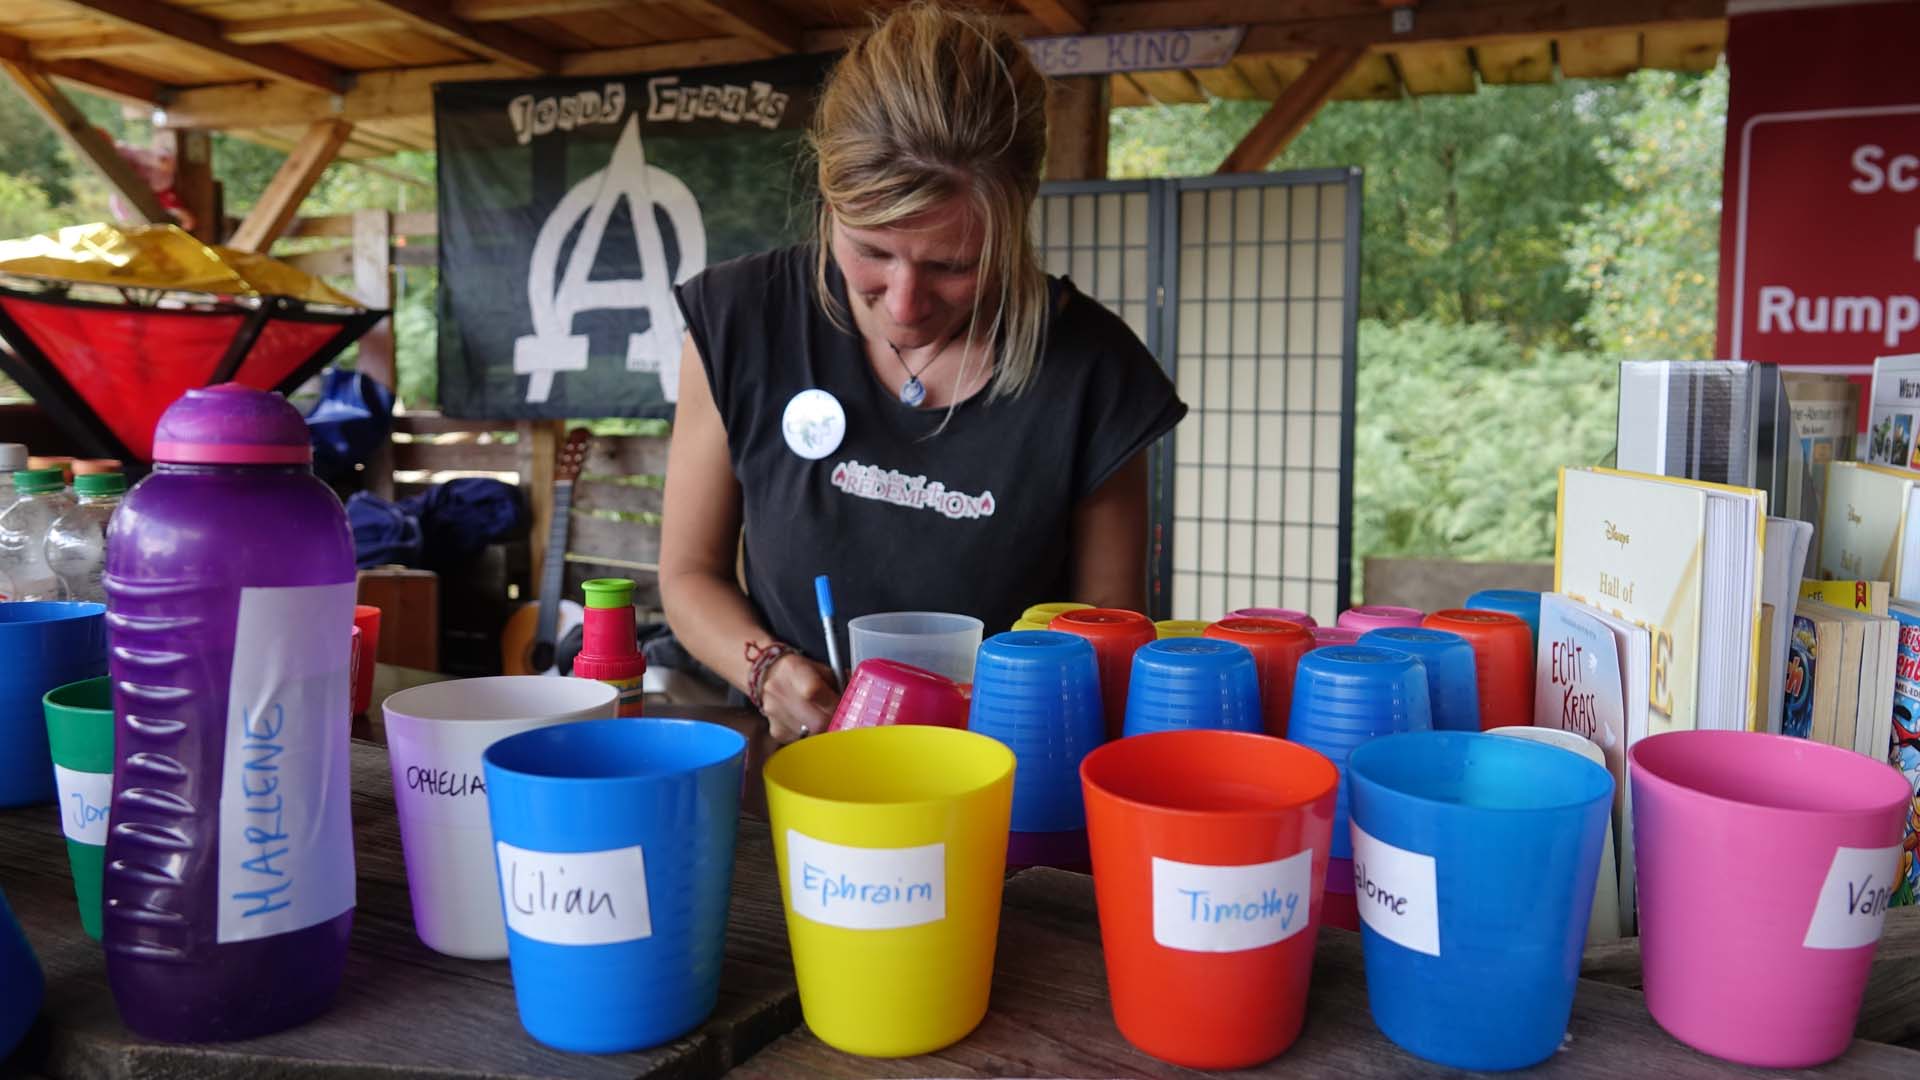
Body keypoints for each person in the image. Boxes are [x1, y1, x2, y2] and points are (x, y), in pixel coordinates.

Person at [660, 0, 1186, 743]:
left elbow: (1108, 646)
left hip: (1003, 778)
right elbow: (687, 575)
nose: (904, 306)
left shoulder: (1095, 374)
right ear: (828, 198)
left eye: (954, 265)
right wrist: (768, 667)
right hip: (796, 766)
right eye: (871, 252)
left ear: (1018, 219)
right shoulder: (740, 320)